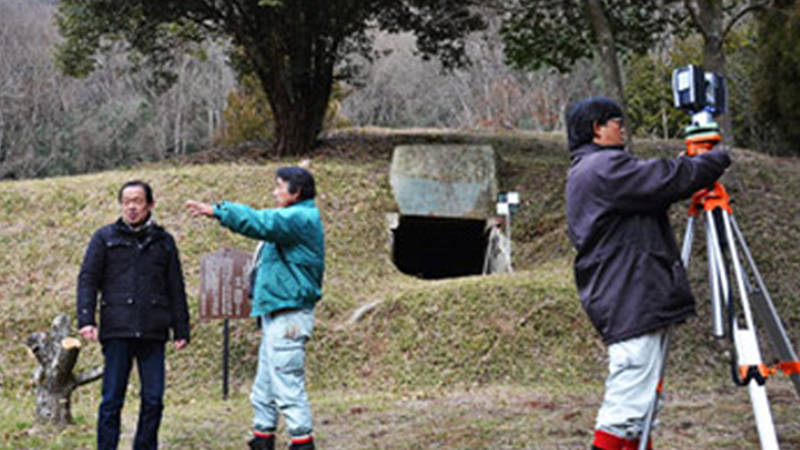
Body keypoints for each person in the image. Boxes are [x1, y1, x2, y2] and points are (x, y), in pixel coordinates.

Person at [564, 97, 731, 449]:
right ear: (597, 129)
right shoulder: (601, 168)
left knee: (642, 401)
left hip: (629, 291)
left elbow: (654, 183)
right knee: (629, 397)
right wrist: (713, 161)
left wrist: (689, 165)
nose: (622, 127)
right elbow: (664, 179)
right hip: (628, 294)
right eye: (616, 121)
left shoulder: (594, 170)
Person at [185, 166, 324, 450]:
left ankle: (302, 441)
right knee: (265, 385)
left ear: (295, 193)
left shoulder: (299, 218)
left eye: (279, 186)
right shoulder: (296, 217)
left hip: (289, 315)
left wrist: (219, 211)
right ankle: (263, 436)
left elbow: (260, 222)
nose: (274, 192)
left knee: (286, 383)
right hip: (277, 314)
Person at [77, 180, 190, 450]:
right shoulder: (104, 238)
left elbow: (176, 285)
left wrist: (181, 328)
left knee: (154, 399)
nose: (131, 207)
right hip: (117, 329)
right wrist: (86, 319)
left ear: (150, 204)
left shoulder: (164, 241)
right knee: (112, 399)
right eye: (126, 201)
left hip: (153, 330)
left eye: (137, 201)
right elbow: (88, 280)